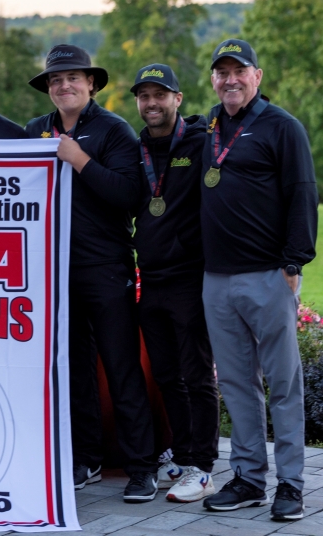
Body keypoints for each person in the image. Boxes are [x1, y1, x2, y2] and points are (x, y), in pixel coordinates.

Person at [25, 45, 157, 502]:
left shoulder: (114, 130)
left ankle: (142, 467)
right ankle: (87, 458)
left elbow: (128, 194)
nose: (64, 86)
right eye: (56, 81)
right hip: (54, 271)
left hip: (105, 267)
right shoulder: (34, 131)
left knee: (121, 369)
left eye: (73, 78)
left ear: (91, 84)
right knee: (74, 371)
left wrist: (77, 159)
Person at [200, 39, 317, 521]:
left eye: (239, 71)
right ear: (213, 79)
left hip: (269, 275)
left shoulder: (282, 127)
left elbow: (303, 195)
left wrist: (294, 265)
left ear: (257, 76)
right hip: (216, 279)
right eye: (222, 72)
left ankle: (290, 484)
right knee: (236, 384)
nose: (230, 79)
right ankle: (249, 477)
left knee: (283, 385)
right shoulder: (205, 128)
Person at [130, 64, 219, 503]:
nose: (151, 103)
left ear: (177, 99)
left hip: (191, 277)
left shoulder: (201, 143)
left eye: (159, 95)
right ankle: (183, 456)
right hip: (152, 278)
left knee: (198, 375)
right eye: (144, 96)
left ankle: (204, 466)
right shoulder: (137, 148)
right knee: (166, 375)